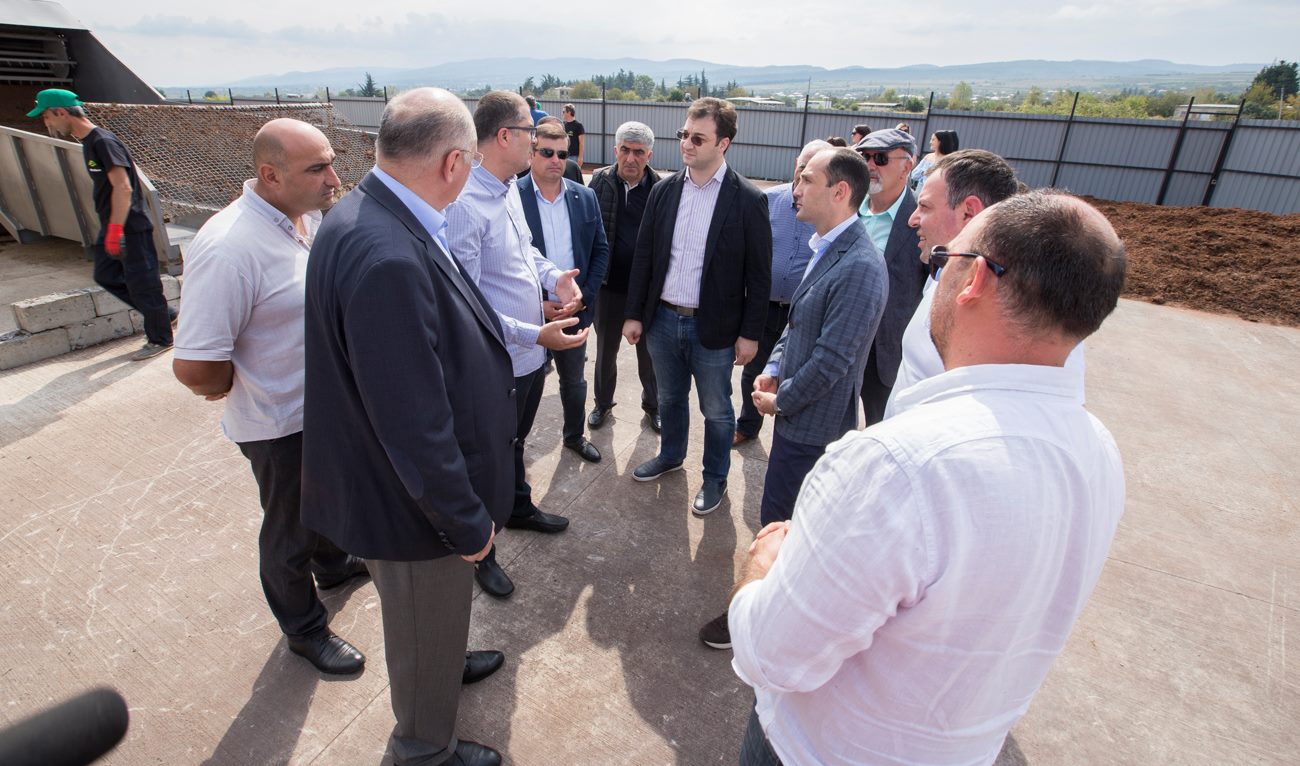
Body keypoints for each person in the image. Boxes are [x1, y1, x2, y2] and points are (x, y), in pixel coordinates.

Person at [729, 189, 1129, 766]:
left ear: (976, 280)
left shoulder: (895, 466)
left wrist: (765, 568)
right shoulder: (1099, 451)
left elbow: (770, 656)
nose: (933, 272)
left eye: (944, 259)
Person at [301, 87, 510, 766]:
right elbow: (414, 426)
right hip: (411, 506)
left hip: (393, 483)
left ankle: (443, 663)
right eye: (472, 162)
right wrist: (467, 522)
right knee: (421, 616)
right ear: (453, 163)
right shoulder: (388, 254)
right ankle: (423, 747)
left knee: (432, 622)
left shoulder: (371, 211)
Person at [171, 118, 369, 675]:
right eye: (317, 168)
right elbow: (196, 365)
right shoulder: (229, 248)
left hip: (319, 409)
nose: (334, 178)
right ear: (270, 175)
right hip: (278, 423)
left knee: (327, 500)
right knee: (289, 532)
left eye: (331, 163)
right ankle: (303, 629)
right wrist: (234, 385)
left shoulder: (304, 218)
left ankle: (334, 566)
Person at [699, 147, 887, 650]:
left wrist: (780, 402)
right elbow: (797, 325)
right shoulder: (828, 246)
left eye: (806, 180)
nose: (794, 189)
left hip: (813, 427)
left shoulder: (860, 266)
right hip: (797, 417)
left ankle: (756, 621)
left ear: (840, 192)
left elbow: (832, 360)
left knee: (782, 527)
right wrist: (774, 370)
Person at [446, 91, 588, 599]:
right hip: (497, 361)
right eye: (531, 131)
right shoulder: (465, 206)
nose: (538, 138)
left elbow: (525, 253)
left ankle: (519, 506)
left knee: (514, 443)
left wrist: (555, 278)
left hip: (527, 356)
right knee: (486, 457)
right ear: (505, 136)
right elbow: (467, 305)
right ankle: (480, 553)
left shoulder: (506, 190)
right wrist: (535, 333)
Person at [622, 97, 771, 516]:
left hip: (715, 328)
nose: (687, 144)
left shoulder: (747, 199)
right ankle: (671, 456)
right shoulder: (664, 191)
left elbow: (759, 275)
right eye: (684, 134)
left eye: (698, 138)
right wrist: (635, 313)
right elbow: (645, 257)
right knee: (670, 399)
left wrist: (750, 334)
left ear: (723, 143)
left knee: (717, 410)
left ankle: (715, 477)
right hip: (663, 320)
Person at [887, 149, 1086, 417]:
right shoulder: (946, 268)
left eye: (924, 207)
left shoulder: (1021, 310)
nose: (912, 219)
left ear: (969, 212)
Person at [29, 88, 173, 361]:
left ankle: (160, 337)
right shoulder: (88, 143)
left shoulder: (103, 141)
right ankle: (163, 315)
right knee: (106, 275)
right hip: (113, 224)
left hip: (130, 226)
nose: (46, 123)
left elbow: (123, 187)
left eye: (47, 116)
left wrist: (117, 230)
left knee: (143, 283)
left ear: (62, 112)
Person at [517, 121, 609, 463]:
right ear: (531, 153)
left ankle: (574, 436)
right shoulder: (511, 197)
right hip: (528, 314)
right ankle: (513, 447)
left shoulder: (585, 197)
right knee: (523, 385)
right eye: (547, 152)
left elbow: (600, 251)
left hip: (573, 312)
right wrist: (538, 303)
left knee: (574, 381)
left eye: (562, 154)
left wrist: (583, 297)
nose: (556, 160)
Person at [732, 140, 828, 447]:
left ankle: (790, 437)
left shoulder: (826, 209)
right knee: (754, 370)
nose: (804, 174)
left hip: (803, 310)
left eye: (813, 170)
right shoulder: (768, 200)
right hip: (764, 306)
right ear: (795, 164)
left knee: (798, 374)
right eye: (803, 166)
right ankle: (748, 425)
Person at [586, 121, 661, 433]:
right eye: (626, 150)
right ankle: (602, 403)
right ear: (615, 150)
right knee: (605, 351)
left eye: (639, 152)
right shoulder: (599, 183)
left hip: (645, 291)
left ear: (649, 155)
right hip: (608, 287)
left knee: (650, 354)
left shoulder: (661, 189)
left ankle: (653, 406)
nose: (631, 158)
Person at [853, 128, 926, 426]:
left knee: (881, 427)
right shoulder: (846, 209)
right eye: (865, 157)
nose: (870, 165)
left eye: (880, 158)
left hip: (885, 354)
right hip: (839, 343)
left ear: (906, 167)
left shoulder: (922, 220)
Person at [536, 115, 585, 185]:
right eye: (547, 152)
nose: (555, 160)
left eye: (559, 133)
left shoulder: (573, 169)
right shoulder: (522, 171)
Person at [911, 129, 959, 194]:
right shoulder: (928, 157)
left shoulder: (949, 160)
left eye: (933, 140)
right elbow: (913, 175)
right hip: (920, 191)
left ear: (940, 142)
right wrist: (924, 173)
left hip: (936, 193)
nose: (930, 142)